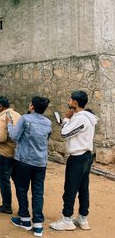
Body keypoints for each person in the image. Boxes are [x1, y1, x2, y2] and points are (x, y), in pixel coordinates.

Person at [50, 91, 98, 231]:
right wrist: (68, 121)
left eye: (70, 100)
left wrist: (65, 119)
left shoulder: (80, 118)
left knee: (70, 188)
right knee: (83, 188)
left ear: (75, 103)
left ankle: (67, 219)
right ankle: (83, 218)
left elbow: (64, 133)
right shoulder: (88, 117)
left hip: (78, 157)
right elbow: (72, 131)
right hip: (86, 155)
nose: (69, 102)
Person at [7, 96, 51, 237]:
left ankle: (25, 219)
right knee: (38, 192)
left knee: (22, 189)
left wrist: (9, 124)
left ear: (32, 106)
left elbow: (14, 136)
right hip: (41, 162)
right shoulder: (48, 122)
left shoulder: (25, 119)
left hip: (24, 161)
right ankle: (38, 225)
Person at [0, 96, 21, 215]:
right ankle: (23, 207)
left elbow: (2, 138)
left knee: (4, 181)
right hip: (17, 154)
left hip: (5, 154)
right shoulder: (18, 115)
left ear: (0, 106)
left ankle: (7, 205)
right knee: (18, 181)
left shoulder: (2, 119)